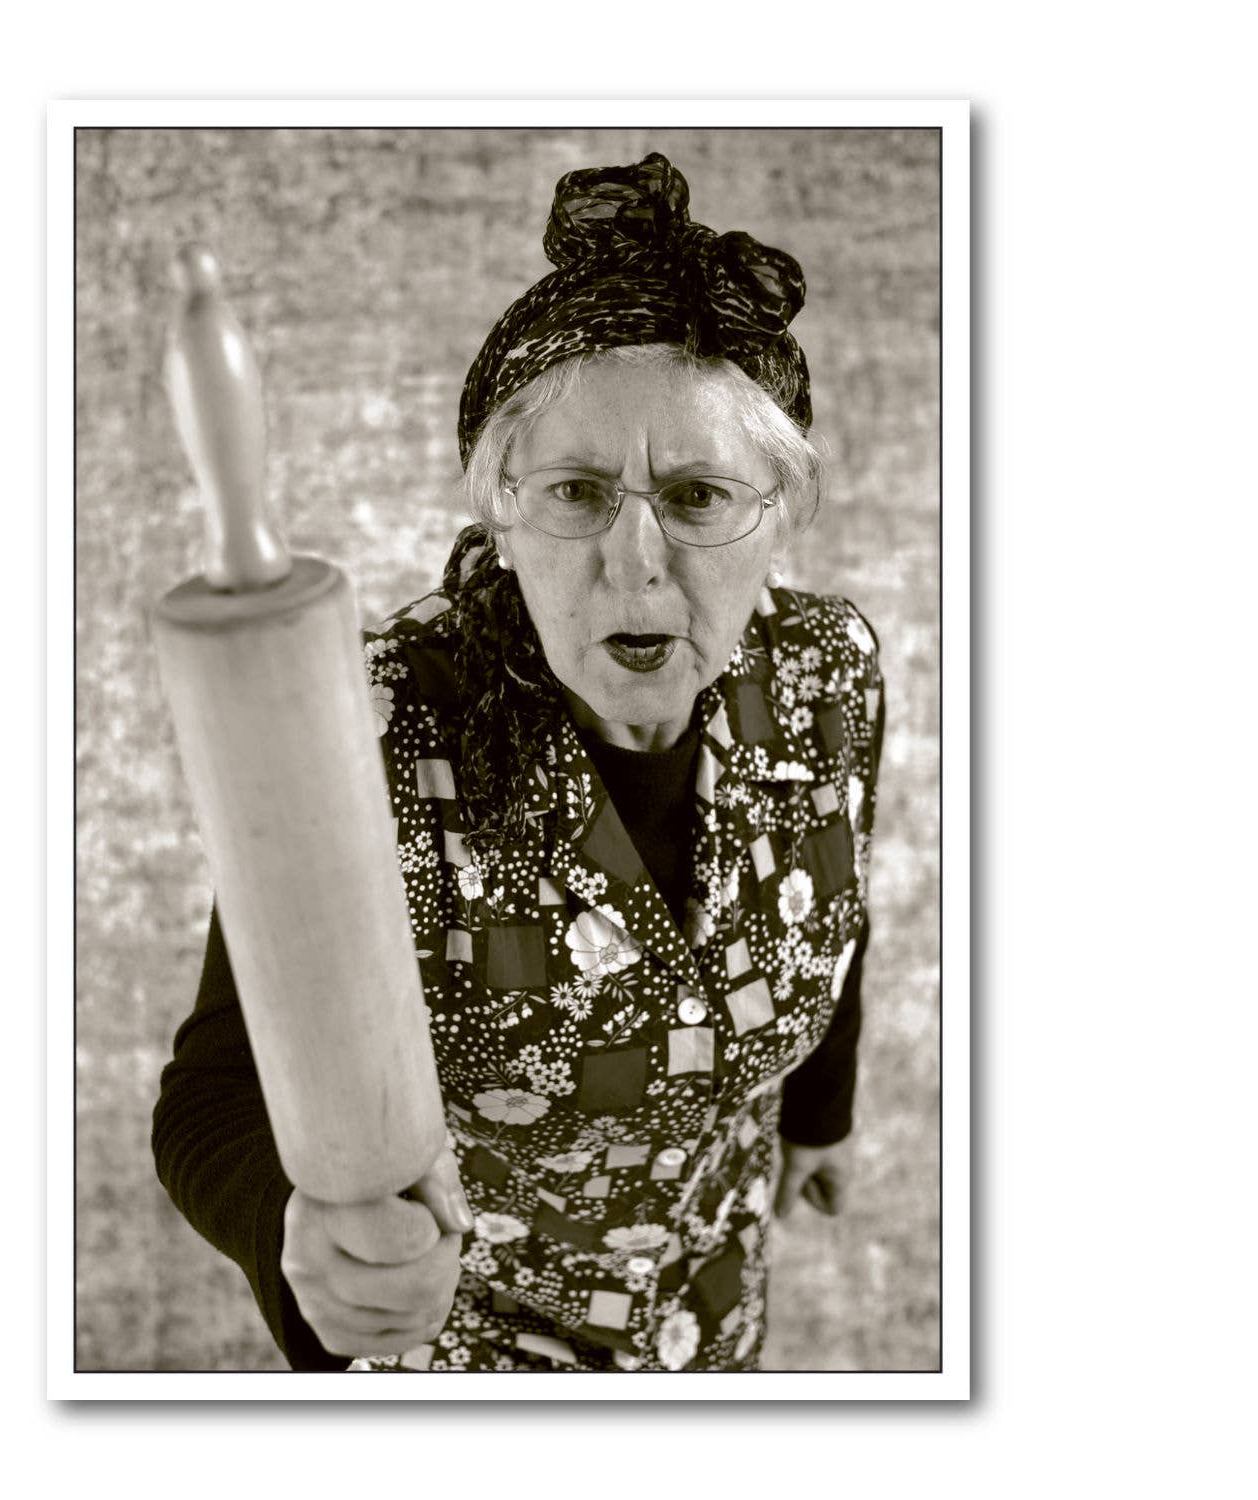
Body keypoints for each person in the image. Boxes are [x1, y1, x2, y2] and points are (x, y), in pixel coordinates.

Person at [152, 152, 884, 1372]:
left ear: (780, 510)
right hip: (469, 1359)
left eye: (700, 496)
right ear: (499, 512)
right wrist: (299, 1236)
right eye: (578, 492)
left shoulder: (828, 672)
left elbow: (834, 903)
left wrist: (819, 1112)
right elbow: (212, 1091)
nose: (636, 561)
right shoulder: (370, 728)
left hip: (711, 1318)